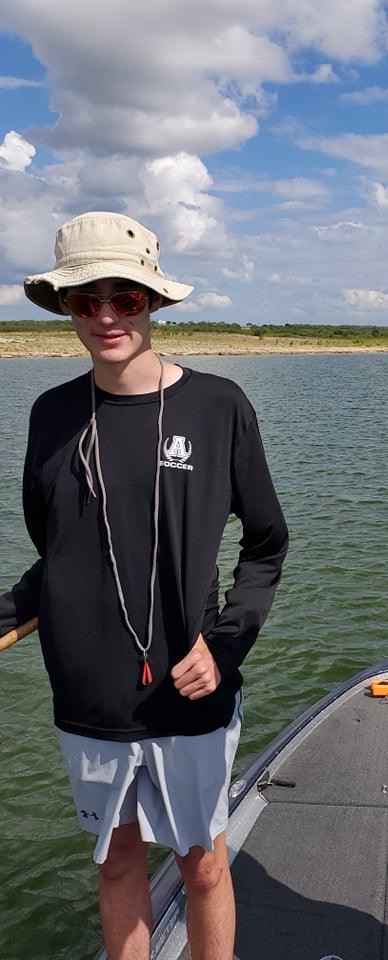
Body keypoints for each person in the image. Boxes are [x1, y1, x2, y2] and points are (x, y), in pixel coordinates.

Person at [0, 211, 289, 960]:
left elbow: (266, 544)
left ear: (152, 302)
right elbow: (56, 558)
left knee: (202, 864)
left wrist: (224, 649)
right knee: (118, 861)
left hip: (190, 693)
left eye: (123, 297)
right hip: (87, 700)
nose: (104, 316)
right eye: (83, 300)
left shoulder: (218, 405)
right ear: (65, 307)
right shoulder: (50, 414)